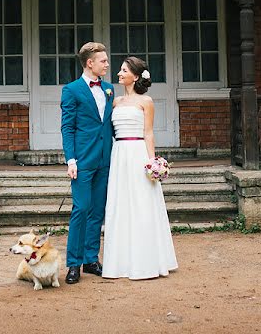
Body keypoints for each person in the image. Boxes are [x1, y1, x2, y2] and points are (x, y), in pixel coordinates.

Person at [102, 56, 178, 280]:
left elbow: (148, 133)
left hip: (137, 153)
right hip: (119, 154)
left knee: (142, 203)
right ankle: (121, 261)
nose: (118, 73)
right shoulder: (114, 102)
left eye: (123, 70)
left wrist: (152, 162)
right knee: (120, 204)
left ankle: (147, 260)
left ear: (135, 76)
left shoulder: (146, 102)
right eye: (119, 70)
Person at [60, 41, 115, 285]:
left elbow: (110, 125)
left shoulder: (110, 89)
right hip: (81, 161)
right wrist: (70, 160)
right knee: (81, 210)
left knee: (97, 211)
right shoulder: (71, 90)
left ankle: (91, 259)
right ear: (90, 63)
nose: (107, 64)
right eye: (103, 60)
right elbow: (67, 128)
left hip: (105, 159)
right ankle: (73, 264)